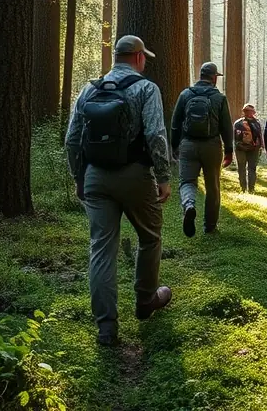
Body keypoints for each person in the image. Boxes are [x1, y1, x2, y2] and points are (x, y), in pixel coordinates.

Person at [65, 35, 173, 345]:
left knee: (101, 248)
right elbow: (155, 135)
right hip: (135, 176)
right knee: (150, 237)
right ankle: (145, 301)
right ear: (139, 58)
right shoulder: (146, 88)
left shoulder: (89, 89)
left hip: (96, 178)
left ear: (115, 57)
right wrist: (163, 176)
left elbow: (72, 140)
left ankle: (106, 327)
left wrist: (79, 178)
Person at [171, 62, 234, 238]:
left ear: (200, 75)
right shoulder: (219, 98)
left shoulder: (185, 94)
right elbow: (226, 127)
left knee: (187, 182)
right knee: (212, 186)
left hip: (188, 145)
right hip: (212, 146)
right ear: (214, 78)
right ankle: (210, 226)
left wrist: (174, 146)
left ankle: (189, 205)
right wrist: (229, 150)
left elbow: (175, 123)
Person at [233, 103, 264, 193]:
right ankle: (250, 189)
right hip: (253, 148)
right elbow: (259, 135)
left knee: (242, 168)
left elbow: (235, 138)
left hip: (240, 149)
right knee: (251, 168)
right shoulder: (257, 122)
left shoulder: (237, 122)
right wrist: (261, 146)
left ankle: (244, 188)